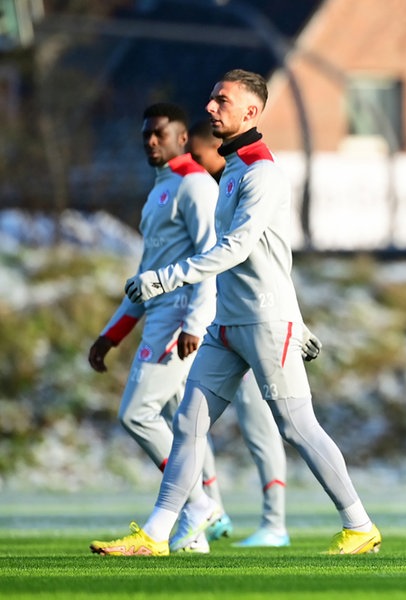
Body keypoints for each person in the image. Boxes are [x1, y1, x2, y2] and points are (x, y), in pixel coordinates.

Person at [90, 69, 381, 556]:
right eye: (210, 99)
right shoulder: (233, 172)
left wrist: (166, 278)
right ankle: (157, 535)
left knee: (295, 426)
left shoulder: (263, 173)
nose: (210, 107)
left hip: (265, 323)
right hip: (226, 325)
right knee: (187, 424)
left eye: (221, 100)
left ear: (251, 111)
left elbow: (238, 249)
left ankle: (359, 525)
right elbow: (271, 254)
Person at [88, 102, 240, 553]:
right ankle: (194, 537)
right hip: (158, 314)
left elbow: (210, 258)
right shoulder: (161, 189)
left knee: (136, 414)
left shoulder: (194, 185)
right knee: (183, 429)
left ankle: (199, 505)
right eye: (145, 135)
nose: (151, 141)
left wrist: (196, 321)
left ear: (180, 138)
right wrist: (111, 334)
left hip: (179, 320)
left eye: (159, 133)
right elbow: (146, 272)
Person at [186, 118, 295, 548]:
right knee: (189, 419)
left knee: (264, 424)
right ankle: (205, 509)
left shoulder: (249, 184)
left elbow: (261, 260)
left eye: (198, 154)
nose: (195, 162)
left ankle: (276, 524)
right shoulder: (214, 192)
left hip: (251, 320)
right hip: (220, 323)